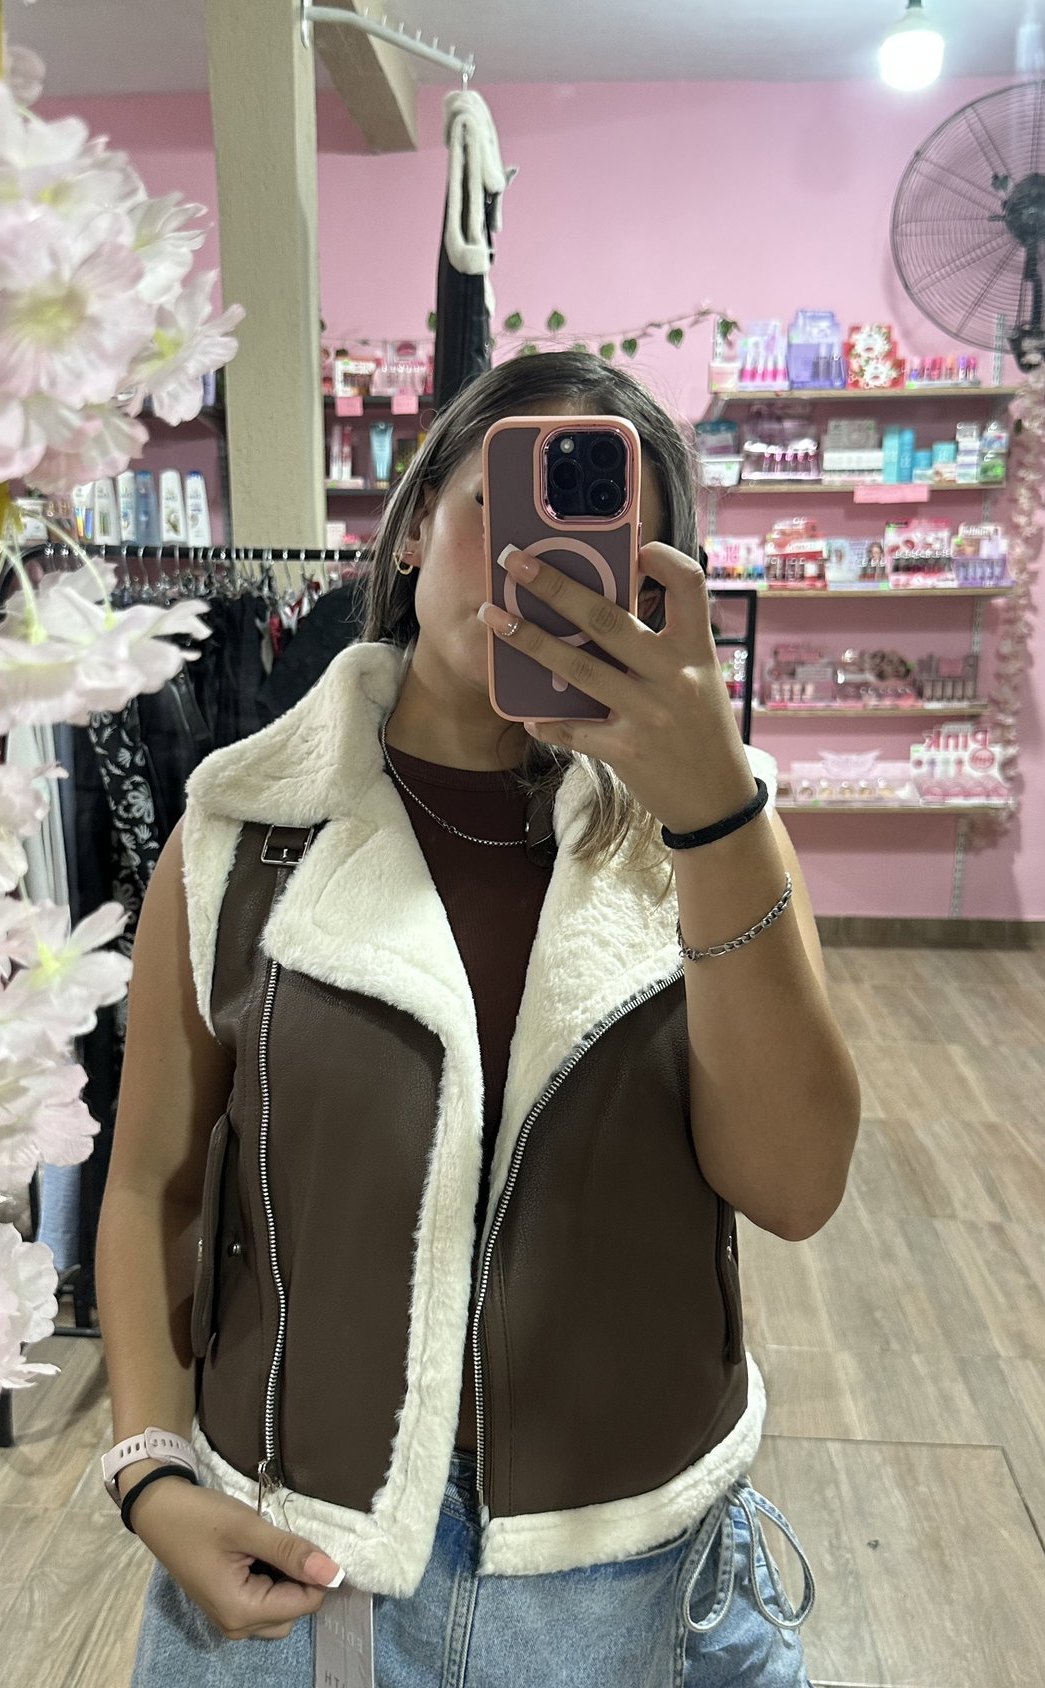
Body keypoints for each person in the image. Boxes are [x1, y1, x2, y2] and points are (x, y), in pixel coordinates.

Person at [98, 351, 861, 1688]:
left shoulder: (714, 834)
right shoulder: (238, 832)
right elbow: (151, 1181)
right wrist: (149, 1471)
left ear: (651, 584)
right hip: (295, 1555)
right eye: (493, 510)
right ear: (410, 530)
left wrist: (711, 814)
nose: (531, 566)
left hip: (620, 1570)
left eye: (592, 536)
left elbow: (794, 1189)